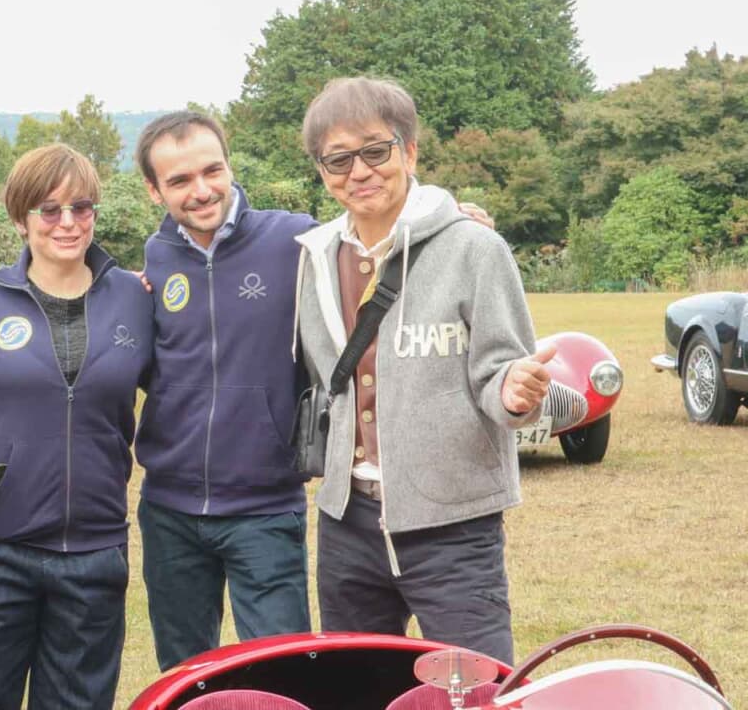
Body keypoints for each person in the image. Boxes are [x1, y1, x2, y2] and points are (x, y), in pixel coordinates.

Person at [294, 76, 552, 663]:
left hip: (452, 523)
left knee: (473, 689)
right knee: (353, 686)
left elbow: (502, 370)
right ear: (322, 172)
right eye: (337, 159)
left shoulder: (475, 249)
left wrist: (514, 390)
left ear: (409, 152)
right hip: (346, 523)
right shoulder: (313, 259)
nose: (358, 171)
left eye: (374, 151)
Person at [0, 143, 154, 709]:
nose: (67, 223)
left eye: (81, 208)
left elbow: (180, 389)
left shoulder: (136, 297)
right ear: (20, 217)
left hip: (92, 550)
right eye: (49, 209)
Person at [133, 112, 318, 671]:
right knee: (187, 678)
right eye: (180, 181)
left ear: (229, 165)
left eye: (212, 170)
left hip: (264, 506)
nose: (202, 190)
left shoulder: (295, 237)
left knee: (284, 677)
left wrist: (448, 216)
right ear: (153, 189)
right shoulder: (153, 259)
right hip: (168, 510)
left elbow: (377, 242)